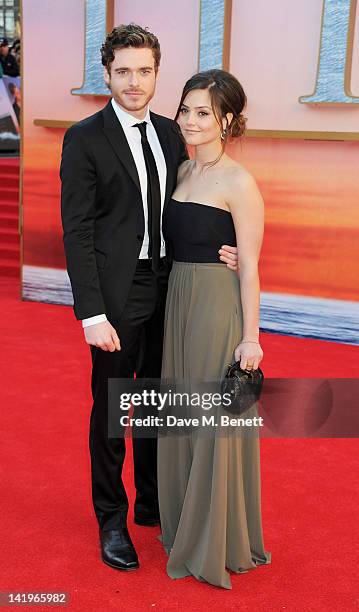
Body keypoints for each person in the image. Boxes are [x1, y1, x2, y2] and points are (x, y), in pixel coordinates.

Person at [60, 24, 237, 572]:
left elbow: (186, 206)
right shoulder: (85, 138)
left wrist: (223, 250)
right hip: (117, 295)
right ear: (106, 73)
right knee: (115, 411)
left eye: (144, 71)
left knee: (162, 403)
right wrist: (91, 311)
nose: (134, 82)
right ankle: (111, 519)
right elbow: (78, 231)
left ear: (157, 73)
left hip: (173, 286)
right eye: (123, 72)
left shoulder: (168, 133)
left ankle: (153, 505)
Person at [157, 69, 272, 589]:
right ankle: (183, 520)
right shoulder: (181, 170)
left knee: (212, 421)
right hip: (177, 302)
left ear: (227, 120)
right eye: (185, 109)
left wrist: (251, 338)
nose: (189, 120)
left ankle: (214, 536)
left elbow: (249, 265)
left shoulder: (240, 182)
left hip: (215, 310)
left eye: (203, 112)